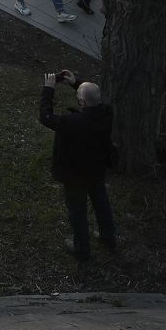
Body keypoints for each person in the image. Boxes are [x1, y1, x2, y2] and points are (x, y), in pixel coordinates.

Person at [40, 69, 116, 260]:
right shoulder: (107, 114)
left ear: (81, 103)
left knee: (77, 211)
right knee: (101, 202)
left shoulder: (72, 122)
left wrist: (48, 90)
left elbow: (46, 117)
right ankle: (108, 236)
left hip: (74, 175)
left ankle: (82, 247)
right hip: (97, 169)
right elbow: (92, 97)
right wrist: (76, 83)